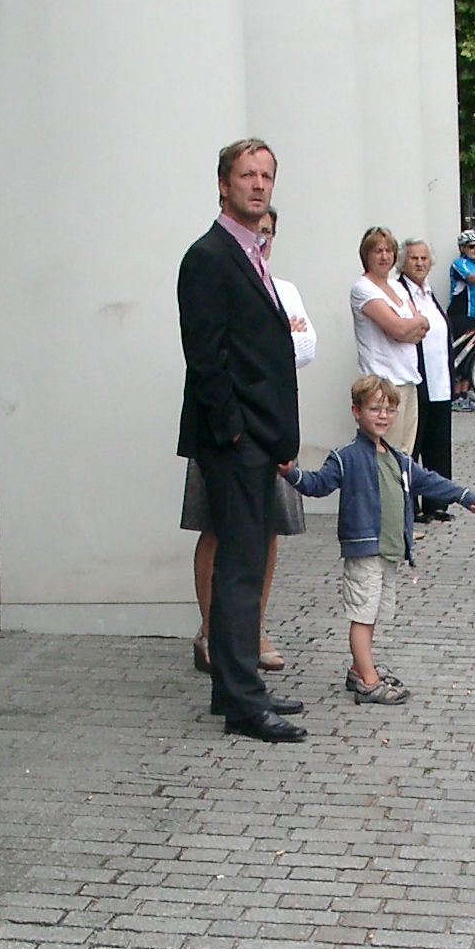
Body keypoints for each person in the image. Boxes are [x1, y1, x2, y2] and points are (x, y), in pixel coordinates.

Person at [176, 138, 308, 743]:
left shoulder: (252, 252)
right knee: (238, 570)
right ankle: (242, 704)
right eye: (247, 175)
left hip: (258, 435)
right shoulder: (208, 257)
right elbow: (206, 358)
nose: (258, 184)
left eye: (266, 176)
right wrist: (234, 432)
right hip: (233, 440)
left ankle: (238, 687)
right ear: (223, 184)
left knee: (247, 565)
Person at [285, 375, 475, 705]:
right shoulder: (346, 456)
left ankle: (360, 668)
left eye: (389, 409)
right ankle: (369, 681)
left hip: (390, 550)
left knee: (373, 613)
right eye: (374, 409)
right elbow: (318, 484)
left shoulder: (398, 458)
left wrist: (465, 496)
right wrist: (291, 473)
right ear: (356, 411)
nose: (383, 416)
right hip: (365, 550)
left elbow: (429, 481)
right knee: (362, 615)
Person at [350, 227, 425, 456]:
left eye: (388, 251)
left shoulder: (396, 286)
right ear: (366, 255)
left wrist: (408, 327)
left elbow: (422, 326)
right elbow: (397, 328)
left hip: (408, 377)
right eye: (378, 251)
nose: (384, 256)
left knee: (405, 453)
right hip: (382, 382)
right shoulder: (363, 288)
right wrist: (408, 327)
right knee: (384, 453)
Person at [396, 237, 453, 521]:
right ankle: (411, 504)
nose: (419, 263)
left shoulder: (429, 293)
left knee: (438, 444)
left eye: (424, 258)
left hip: (440, 379)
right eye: (414, 258)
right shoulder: (400, 292)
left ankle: (437, 501)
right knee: (413, 444)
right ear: (403, 263)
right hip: (417, 379)